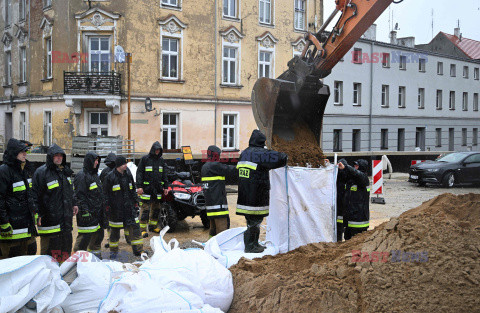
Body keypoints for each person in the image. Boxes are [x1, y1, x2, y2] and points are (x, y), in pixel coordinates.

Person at [236, 130, 288, 253]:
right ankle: (251, 246)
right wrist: (287, 153)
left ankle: (252, 243)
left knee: (251, 221)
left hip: (244, 193)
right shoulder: (259, 153)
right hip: (256, 193)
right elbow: (280, 158)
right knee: (255, 220)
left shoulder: (245, 153)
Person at [32, 144, 77, 261]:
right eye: (56, 156)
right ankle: (48, 276)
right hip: (50, 222)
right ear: (50, 157)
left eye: (61, 156)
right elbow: (35, 196)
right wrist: (37, 214)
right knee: (49, 255)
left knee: (65, 252)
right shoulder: (41, 173)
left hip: (65, 223)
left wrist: (74, 203)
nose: (59, 158)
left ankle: (62, 275)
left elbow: (70, 191)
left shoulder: (65, 172)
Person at [0, 138, 37, 258]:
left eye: (25, 151)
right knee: (9, 261)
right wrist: (4, 222)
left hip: (25, 226)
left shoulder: (24, 169)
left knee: (30, 253)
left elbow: (29, 196)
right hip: (11, 228)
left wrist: (34, 214)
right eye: (22, 152)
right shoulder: (4, 171)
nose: (25, 154)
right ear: (14, 153)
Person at [103, 156, 143, 258]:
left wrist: (135, 202)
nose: (126, 165)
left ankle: (138, 251)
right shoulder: (110, 177)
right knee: (114, 234)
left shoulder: (128, 175)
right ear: (118, 165)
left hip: (129, 209)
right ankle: (113, 253)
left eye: (126, 163)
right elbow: (105, 194)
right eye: (123, 164)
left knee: (135, 230)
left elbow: (132, 190)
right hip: (115, 211)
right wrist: (107, 208)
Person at [73, 152, 107, 258]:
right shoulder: (81, 176)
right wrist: (84, 212)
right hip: (87, 215)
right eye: (95, 160)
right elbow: (79, 197)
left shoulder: (94, 175)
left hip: (97, 215)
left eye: (98, 160)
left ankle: (95, 260)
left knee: (97, 238)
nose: (97, 163)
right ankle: (77, 262)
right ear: (89, 161)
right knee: (83, 240)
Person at [201, 145, 237, 237]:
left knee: (213, 230)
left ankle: (210, 248)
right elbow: (231, 170)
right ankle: (220, 249)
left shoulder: (205, 167)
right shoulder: (214, 166)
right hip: (218, 206)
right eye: (218, 155)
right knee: (222, 232)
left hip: (210, 206)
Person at [136, 141, 168, 237]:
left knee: (156, 209)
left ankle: (152, 227)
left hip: (157, 189)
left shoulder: (161, 160)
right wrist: (139, 186)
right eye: (156, 149)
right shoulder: (145, 159)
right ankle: (142, 229)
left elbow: (164, 174)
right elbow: (139, 173)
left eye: (159, 150)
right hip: (147, 189)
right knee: (145, 209)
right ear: (153, 149)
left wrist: (166, 186)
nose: (157, 151)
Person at [338, 159, 370, 240]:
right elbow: (343, 174)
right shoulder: (351, 180)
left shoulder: (364, 178)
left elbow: (357, 174)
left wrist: (346, 167)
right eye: (354, 166)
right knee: (347, 242)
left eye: (356, 166)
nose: (354, 167)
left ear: (361, 168)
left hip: (359, 222)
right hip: (350, 221)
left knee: (357, 245)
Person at [336, 159, 348, 242]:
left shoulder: (344, 176)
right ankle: (339, 239)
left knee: (340, 223)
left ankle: (339, 239)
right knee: (340, 223)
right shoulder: (344, 176)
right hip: (342, 204)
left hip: (342, 204)